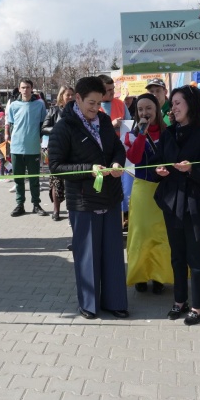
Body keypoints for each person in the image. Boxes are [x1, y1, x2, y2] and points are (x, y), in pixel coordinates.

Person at [48, 76, 129, 320]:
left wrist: (117, 162)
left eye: (99, 103)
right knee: (87, 256)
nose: (96, 108)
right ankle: (89, 304)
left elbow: (117, 148)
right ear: (78, 99)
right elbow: (56, 166)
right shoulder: (64, 127)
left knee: (113, 253)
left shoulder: (103, 120)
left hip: (110, 197)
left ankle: (115, 301)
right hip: (83, 201)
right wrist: (88, 169)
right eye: (91, 103)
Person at [150, 85, 200, 325]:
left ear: (190, 105)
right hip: (171, 200)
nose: (173, 108)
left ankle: (199, 305)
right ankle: (179, 300)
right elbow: (155, 163)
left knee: (195, 256)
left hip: (195, 201)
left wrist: (193, 168)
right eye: (172, 103)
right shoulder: (168, 133)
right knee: (177, 255)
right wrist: (158, 170)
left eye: (177, 103)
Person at [124, 93, 173, 294]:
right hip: (142, 189)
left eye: (148, 108)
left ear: (157, 110)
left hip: (164, 188)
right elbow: (134, 158)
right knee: (141, 234)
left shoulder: (169, 132)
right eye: (140, 109)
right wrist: (142, 134)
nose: (144, 112)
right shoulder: (132, 134)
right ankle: (141, 276)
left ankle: (159, 276)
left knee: (161, 233)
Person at [6, 78, 48, 217]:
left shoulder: (39, 104)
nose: (25, 90)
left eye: (28, 87)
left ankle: (36, 204)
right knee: (18, 179)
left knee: (34, 179)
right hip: (16, 148)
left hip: (33, 147)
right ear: (19, 89)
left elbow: (43, 124)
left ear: (32, 89)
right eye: (23, 87)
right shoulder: (13, 105)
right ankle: (20, 205)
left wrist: (40, 140)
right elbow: (11, 124)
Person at [41, 85, 74, 221]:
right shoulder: (54, 110)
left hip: (73, 150)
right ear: (61, 96)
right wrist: (59, 129)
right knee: (56, 181)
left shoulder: (78, 111)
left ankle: (72, 210)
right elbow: (44, 128)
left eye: (72, 95)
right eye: (68, 95)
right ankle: (56, 210)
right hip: (56, 149)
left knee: (71, 180)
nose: (70, 97)